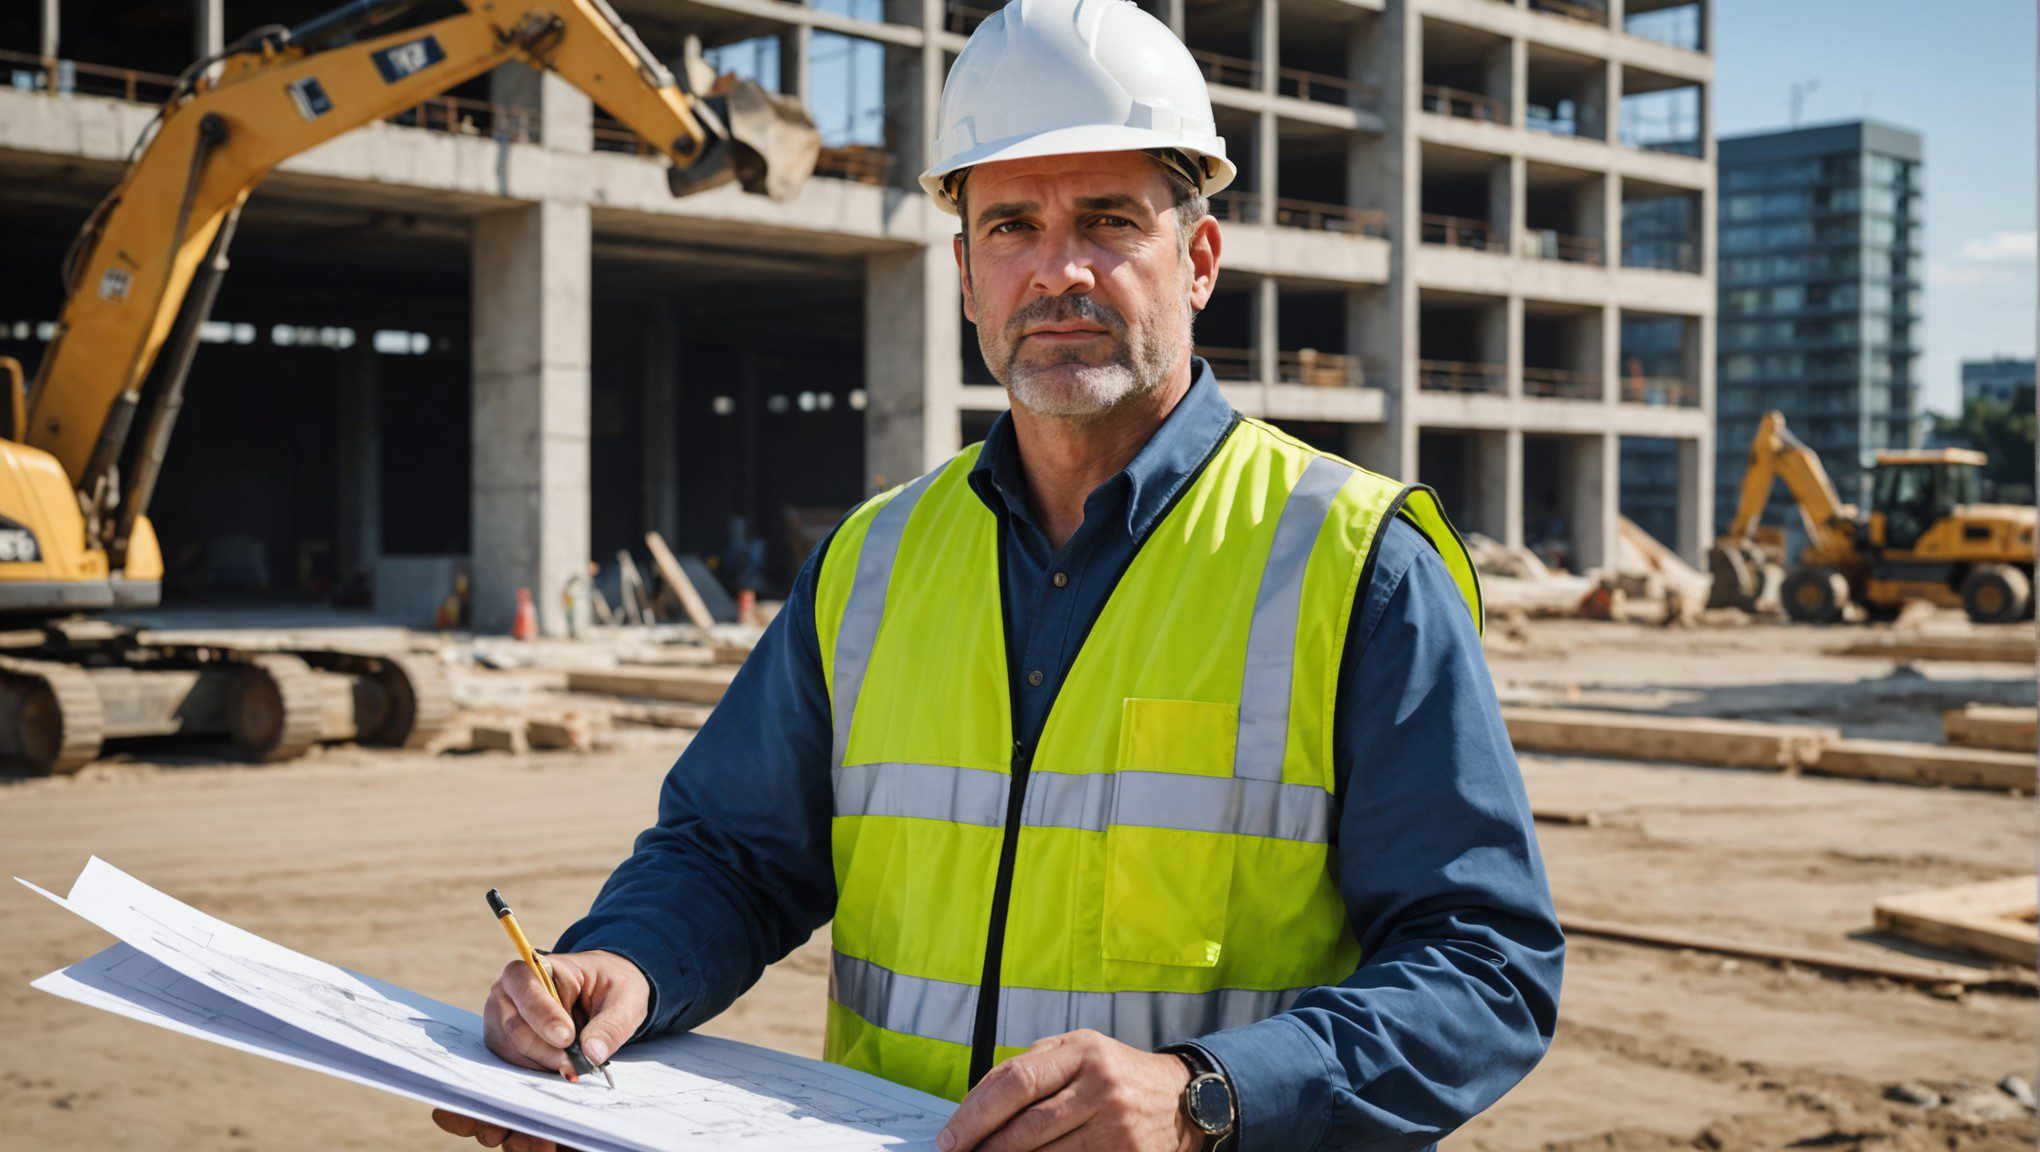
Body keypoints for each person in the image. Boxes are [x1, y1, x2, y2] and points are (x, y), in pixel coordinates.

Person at [434, 0, 1561, 1148]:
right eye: (1013, 225)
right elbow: (731, 853)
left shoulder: (1354, 562)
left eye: (1110, 221)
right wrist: (627, 963)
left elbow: (1486, 965)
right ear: (968, 273)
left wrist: (1210, 1095)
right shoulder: (873, 564)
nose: (1057, 270)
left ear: (1201, 259)